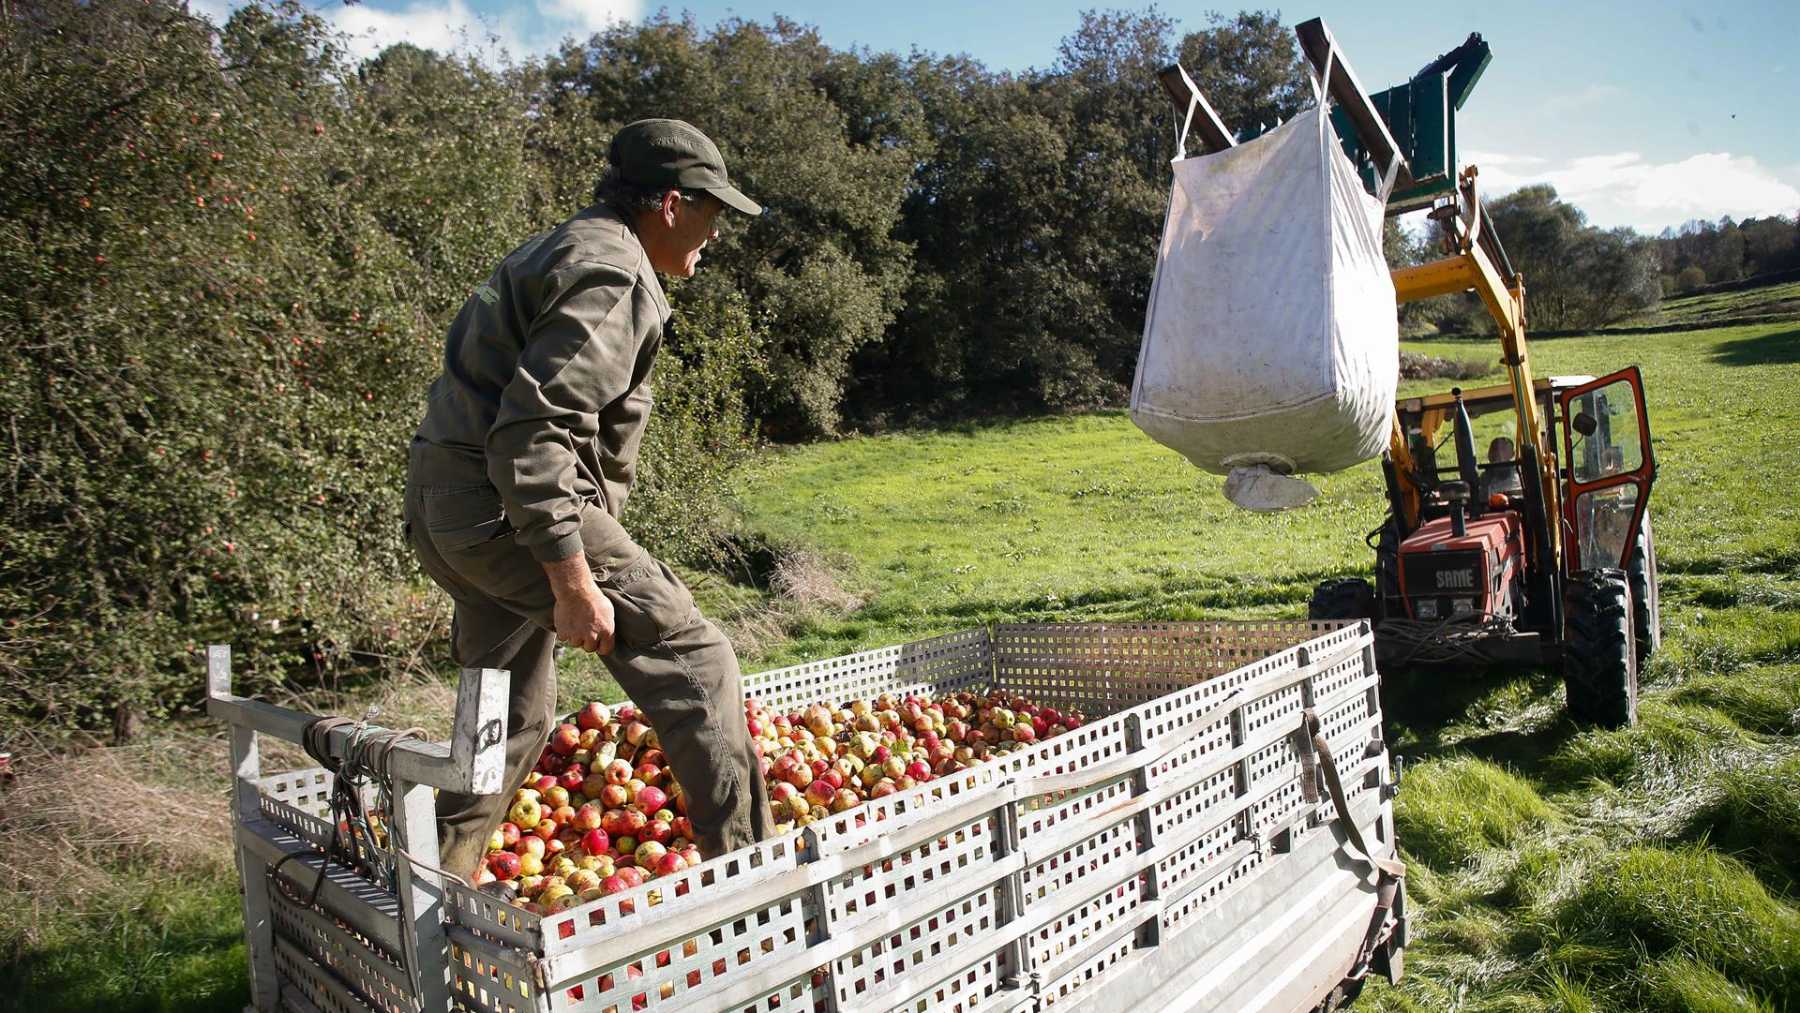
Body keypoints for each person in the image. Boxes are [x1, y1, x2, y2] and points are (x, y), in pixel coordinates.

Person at [403, 119, 773, 878]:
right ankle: (756, 894)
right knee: (699, 666)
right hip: (508, 507)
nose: (716, 232)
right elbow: (533, 437)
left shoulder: (559, 246)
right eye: (713, 212)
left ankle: (426, 896)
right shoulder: (615, 271)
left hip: (448, 508)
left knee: (508, 716)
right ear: (672, 205)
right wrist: (573, 581)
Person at [1481, 435, 1523, 500]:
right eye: (1495, 449)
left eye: (1503, 449)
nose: (1499, 453)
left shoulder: (1520, 473)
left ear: (1512, 454)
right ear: (1489, 454)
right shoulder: (1484, 477)